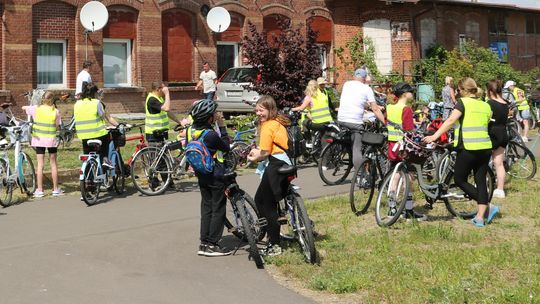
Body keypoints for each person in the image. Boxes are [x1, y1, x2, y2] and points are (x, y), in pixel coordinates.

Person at [424, 78, 499, 228]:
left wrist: (434, 136)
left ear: (462, 90)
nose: (457, 93)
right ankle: (480, 217)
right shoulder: (485, 105)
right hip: (484, 148)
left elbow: (451, 120)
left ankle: (488, 206)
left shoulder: (463, 103)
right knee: (480, 181)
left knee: (459, 180)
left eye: (458, 90)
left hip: (468, 148)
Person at [247, 95, 292, 257]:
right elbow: (269, 147)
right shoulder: (278, 122)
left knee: (264, 202)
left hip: (275, 165)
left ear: (270, 110)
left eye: (262, 110)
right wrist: (259, 151)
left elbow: (265, 153)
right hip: (285, 161)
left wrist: (253, 157)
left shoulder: (267, 126)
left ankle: (274, 243)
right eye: (257, 110)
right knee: (271, 200)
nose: (259, 113)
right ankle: (280, 228)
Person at [189, 99, 231, 257]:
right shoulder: (211, 135)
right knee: (218, 208)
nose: (216, 115)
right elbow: (226, 147)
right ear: (209, 118)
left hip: (201, 174)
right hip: (216, 175)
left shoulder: (190, 131)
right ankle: (213, 244)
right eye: (214, 114)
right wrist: (222, 126)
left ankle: (204, 242)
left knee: (206, 208)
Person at [386, 83, 427, 221]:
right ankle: (408, 209)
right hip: (404, 147)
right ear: (404, 94)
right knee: (408, 178)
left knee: (395, 175)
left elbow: (388, 122)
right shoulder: (406, 109)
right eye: (410, 91)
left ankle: (392, 207)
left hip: (392, 145)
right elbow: (409, 130)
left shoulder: (390, 107)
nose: (412, 93)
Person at [337, 68, 385, 171]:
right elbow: (375, 109)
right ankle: (360, 175)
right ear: (364, 78)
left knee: (350, 139)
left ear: (354, 76)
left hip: (341, 119)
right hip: (354, 122)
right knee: (357, 148)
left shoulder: (346, 84)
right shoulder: (366, 89)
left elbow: (355, 101)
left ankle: (346, 151)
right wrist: (384, 122)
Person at [22, 92, 62, 197]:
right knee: (53, 163)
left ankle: (40, 190)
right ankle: (55, 189)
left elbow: (24, 108)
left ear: (42, 99)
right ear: (53, 100)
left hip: (39, 140)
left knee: (40, 165)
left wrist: (27, 105)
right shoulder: (56, 111)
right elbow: (58, 126)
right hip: (51, 141)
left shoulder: (36, 109)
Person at [74, 82, 118, 167]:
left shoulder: (77, 104)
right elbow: (106, 117)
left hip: (83, 135)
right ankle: (105, 158)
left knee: (87, 155)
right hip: (98, 133)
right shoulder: (96, 103)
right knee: (107, 139)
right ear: (94, 93)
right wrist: (118, 125)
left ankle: (88, 177)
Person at [486, 80, 509, 199]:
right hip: (503, 134)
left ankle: (484, 184)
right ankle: (500, 190)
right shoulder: (505, 103)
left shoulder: (489, 103)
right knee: (499, 163)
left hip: (492, 133)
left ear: (490, 91)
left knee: (483, 161)